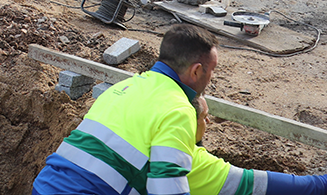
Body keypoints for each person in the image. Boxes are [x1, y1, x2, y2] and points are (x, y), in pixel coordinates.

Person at [31, 24, 218, 195]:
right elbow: (168, 190)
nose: (211, 77)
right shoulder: (178, 108)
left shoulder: (123, 87)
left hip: (44, 186)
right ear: (196, 71)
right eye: (212, 70)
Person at [189, 96, 327, 195]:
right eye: (204, 117)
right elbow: (253, 183)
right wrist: (326, 184)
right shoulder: (190, 161)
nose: (208, 122)